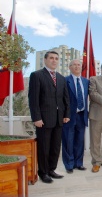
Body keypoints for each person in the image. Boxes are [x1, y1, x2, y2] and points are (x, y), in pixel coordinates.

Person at [28, 51, 70, 184]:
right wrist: (36, 118)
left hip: (58, 119)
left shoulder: (61, 78)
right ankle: (43, 172)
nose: (54, 60)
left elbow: (65, 99)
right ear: (45, 60)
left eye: (56, 58)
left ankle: (52, 169)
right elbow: (33, 99)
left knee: (55, 147)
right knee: (44, 147)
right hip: (44, 120)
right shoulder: (37, 75)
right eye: (51, 58)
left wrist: (66, 115)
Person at [62, 59, 89, 173]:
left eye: (79, 65)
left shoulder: (86, 81)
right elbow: (62, 99)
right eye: (74, 65)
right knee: (68, 141)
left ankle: (79, 163)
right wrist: (64, 114)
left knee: (79, 141)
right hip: (69, 116)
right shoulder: (64, 81)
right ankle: (69, 165)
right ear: (70, 67)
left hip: (82, 115)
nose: (77, 67)